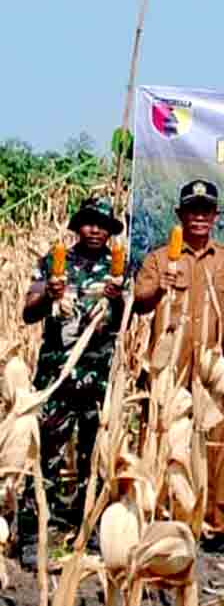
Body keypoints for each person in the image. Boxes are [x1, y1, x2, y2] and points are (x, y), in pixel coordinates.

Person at [133, 178, 224, 531]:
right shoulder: (160, 259)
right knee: (164, 436)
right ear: (180, 214)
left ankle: (215, 518)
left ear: (215, 216)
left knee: (216, 442)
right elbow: (138, 302)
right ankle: (162, 513)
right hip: (169, 367)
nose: (199, 218)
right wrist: (159, 287)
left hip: (213, 369)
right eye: (192, 211)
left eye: (205, 211)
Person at [22, 197, 125, 524]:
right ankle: (33, 526)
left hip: (100, 377)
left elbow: (126, 320)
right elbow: (29, 312)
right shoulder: (56, 260)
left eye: (103, 225)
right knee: (45, 453)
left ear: (110, 231)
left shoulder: (119, 266)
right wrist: (49, 295)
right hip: (57, 376)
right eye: (89, 222)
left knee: (94, 455)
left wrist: (118, 299)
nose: (95, 230)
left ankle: (90, 524)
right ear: (78, 225)